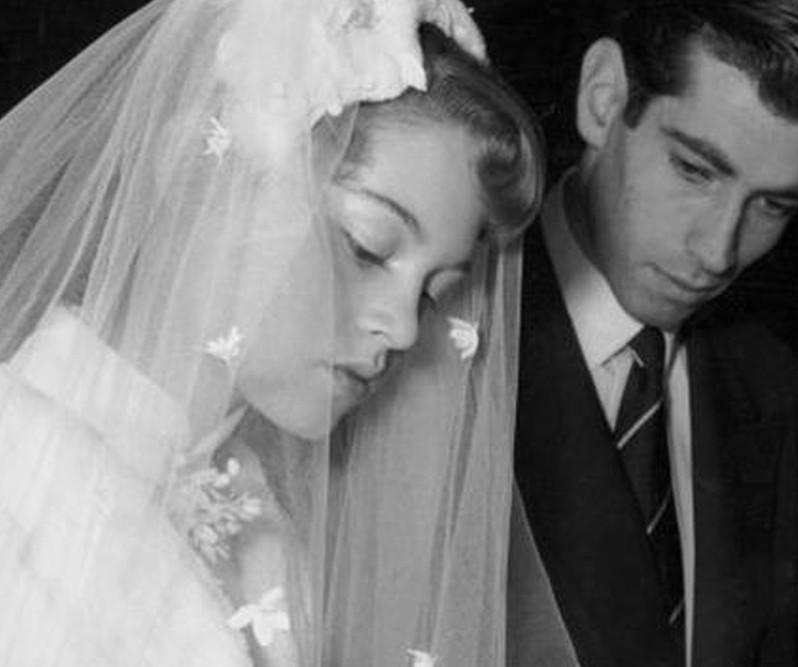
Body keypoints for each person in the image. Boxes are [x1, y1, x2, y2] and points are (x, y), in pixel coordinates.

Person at [0, 0, 543, 665]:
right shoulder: (17, 472)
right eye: (368, 247)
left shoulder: (259, 531)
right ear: (196, 167)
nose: (404, 329)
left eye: (435, 293)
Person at [507, 1, 798, 665]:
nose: (719, 250)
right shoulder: (424, 346)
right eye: (695, 170)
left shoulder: (786, 398)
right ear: (603, 98)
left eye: (774, 205)